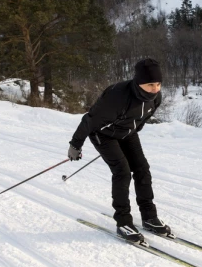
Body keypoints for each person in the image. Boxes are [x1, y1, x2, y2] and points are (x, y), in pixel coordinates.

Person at [68, 58, 171, 242]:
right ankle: (123, 222)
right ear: (139, 82)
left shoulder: (156, 98)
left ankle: (149, 217)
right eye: (150, 84)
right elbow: (89, 121)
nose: (155, 89)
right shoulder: (117, 97)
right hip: (103, 133)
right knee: (122, 172)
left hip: (126, 132)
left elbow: (141, 119)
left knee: (142, 169)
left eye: (158, 84)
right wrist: (75, 145)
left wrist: (131, 132)